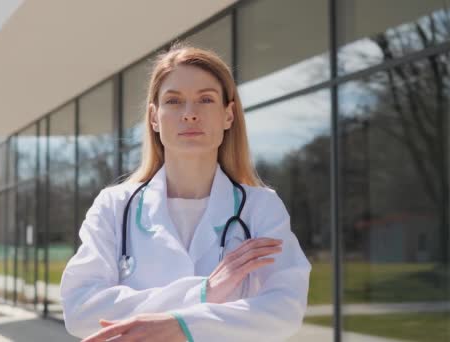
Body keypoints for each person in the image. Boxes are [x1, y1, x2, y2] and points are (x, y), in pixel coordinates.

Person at [59, 42, 312, 342]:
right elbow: (80, 309)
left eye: (205, 99)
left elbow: (284, 310)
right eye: (174, 101)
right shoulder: (114, 206)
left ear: (228, 115)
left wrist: (181, 324)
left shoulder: (260, 208)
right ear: (154, 117)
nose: (190, 114)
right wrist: (204, 293)